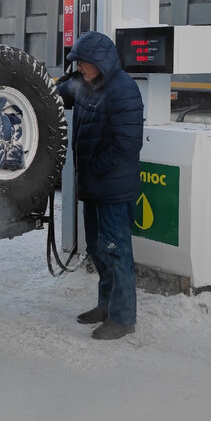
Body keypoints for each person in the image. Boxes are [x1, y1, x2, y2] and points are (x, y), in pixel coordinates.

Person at [55, 30, 145, 340]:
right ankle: (105, 305)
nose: (78, 67)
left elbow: (127, 144)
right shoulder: (84, 84)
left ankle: (123, 317)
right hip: (94, 185)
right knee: (97, 248)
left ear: (100, 62)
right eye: (77, 63)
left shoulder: (123, 90)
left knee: (116, 250)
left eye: (82, 62)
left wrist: (94, 169)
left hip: (113, 188)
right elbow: (58, 93)